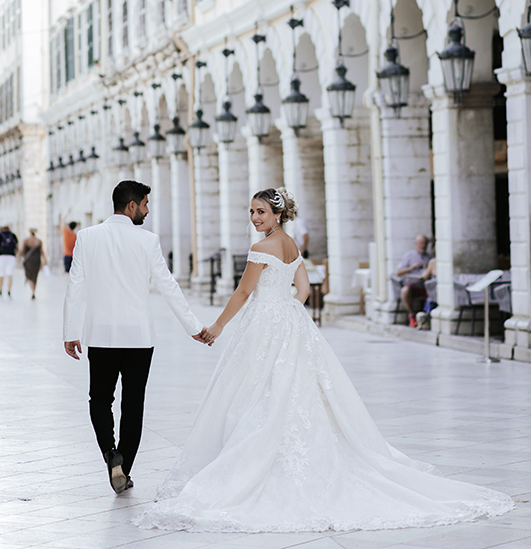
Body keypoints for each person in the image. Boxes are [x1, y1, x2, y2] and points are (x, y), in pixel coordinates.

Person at [137, 187, 513, 534]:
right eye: (251, 212)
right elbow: (302, 289)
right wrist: (286, 312)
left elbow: (243, 292)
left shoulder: (262, 248)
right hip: (290, 323)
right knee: (297, 390)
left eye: (261, 212)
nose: (254, 218)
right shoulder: (290, 245)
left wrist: (218, 326)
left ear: (277, 214)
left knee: (256, 392)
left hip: (264, 325)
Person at [63, 180, 212, 495]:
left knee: (99, 399)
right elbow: (168, 285)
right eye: (144, 205)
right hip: (138, 338)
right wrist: (194, 326)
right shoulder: (147, 241)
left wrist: (70, 332)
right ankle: (124, 469)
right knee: (133, 404)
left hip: (100, 335)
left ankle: (110, 454)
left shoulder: (87, 237)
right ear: (131, 205)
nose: (146, 211)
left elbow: (75, 285)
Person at [396, 234, 433, 327]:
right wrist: (411, 268)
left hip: (426, 285)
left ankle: (427, 316)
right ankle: (411, 315)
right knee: (405, 290)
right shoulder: (409, 255)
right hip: (413, 285)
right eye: (421, 243)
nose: (423, 245)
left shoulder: (430, 257)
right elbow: (398, 272)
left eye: (425, 243)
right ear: (416, 243)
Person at [18, 228, 47, 299]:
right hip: (37, 261)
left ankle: (32, 290)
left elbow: (22, 250)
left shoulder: (26, 241)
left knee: (28, 276)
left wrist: (18, 257)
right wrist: (45, 260)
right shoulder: (39, 241)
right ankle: (33, 291)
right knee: (35, 276)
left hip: (28, 261)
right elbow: (42, 252)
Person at [0, 225, 18, 297]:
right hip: (11, 256)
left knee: (1, 274)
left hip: (1, 256)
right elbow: (17, 247)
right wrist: (17, 256)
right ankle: (9, 290)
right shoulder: (13, 235)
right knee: (10, 274)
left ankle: (0, 289)